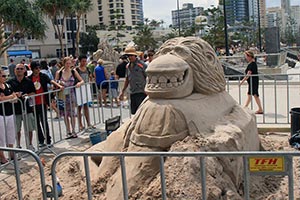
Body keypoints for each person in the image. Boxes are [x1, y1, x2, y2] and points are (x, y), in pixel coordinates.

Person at [28, 61, 63, 147]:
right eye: (36, 68)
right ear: (32, 69)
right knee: (37, 123)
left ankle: (48, 140)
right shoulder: (29, 78)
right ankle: (41, 140)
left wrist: (58, 85)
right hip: (33, 104)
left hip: (43, 102)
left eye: (39, 68)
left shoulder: (43, 76)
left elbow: (51, 81)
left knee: (44, 122)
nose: (38, 70)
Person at [6, 63, 36, 150]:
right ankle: (18, 145)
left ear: (25, 70)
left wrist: (27, 95)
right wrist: (14, 95)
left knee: (29, 128)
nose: (19, 70)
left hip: (27, 108)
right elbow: (8, 93)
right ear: (15, 70)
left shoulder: (29, 81)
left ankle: (30, 144)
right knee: (17, 129)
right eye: (18, 69)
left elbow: (33, 92)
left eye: (21, 69)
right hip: (15, 109)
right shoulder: (9, 82)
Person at [55, 57, 84, 139]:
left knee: (72, 113)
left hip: (71, 94)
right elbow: (55, 82)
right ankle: (68, 131)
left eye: (69, 63)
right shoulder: (59, 72)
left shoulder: (73, 71)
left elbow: (81, 80)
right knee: (65, 114)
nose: (68, 65)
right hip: (62, 94)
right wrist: (59, 83)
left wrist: (79, 84)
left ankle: (74, 130)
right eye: (66, 63)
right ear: (63, 64)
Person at [119, 47, 147, 114]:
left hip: (141, 92)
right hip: (133, 92)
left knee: (141, 112)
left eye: (131, 55)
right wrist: (122, 92)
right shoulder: (128, 66)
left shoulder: (141, 65)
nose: (130, 57)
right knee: (134, 112)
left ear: (135, 55)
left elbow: (147, 77)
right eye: (128, 56)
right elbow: (127, 79)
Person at [0, 69, 18, 164]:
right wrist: (10, 97)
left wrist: (8, 97)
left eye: (5, 76)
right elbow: (1, 99)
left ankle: (11, 153)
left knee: (11, 134)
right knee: (1, 136)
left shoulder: (7, 85)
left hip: (10, 112)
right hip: (0, 114)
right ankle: (2, 156)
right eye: (3, 76)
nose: (5, 78)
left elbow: (14, 97)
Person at [75, 55, 95, 131]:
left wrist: (91, 79)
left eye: (85, 61)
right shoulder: (76, 69)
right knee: (79, 107)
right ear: (79, 61)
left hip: (86, 88)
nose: (84, 62)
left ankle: (88, 123)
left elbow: (90, 76)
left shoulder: (87, 69)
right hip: (79, 89)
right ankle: (80, 124)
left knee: (86, 107)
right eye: (83, 61)